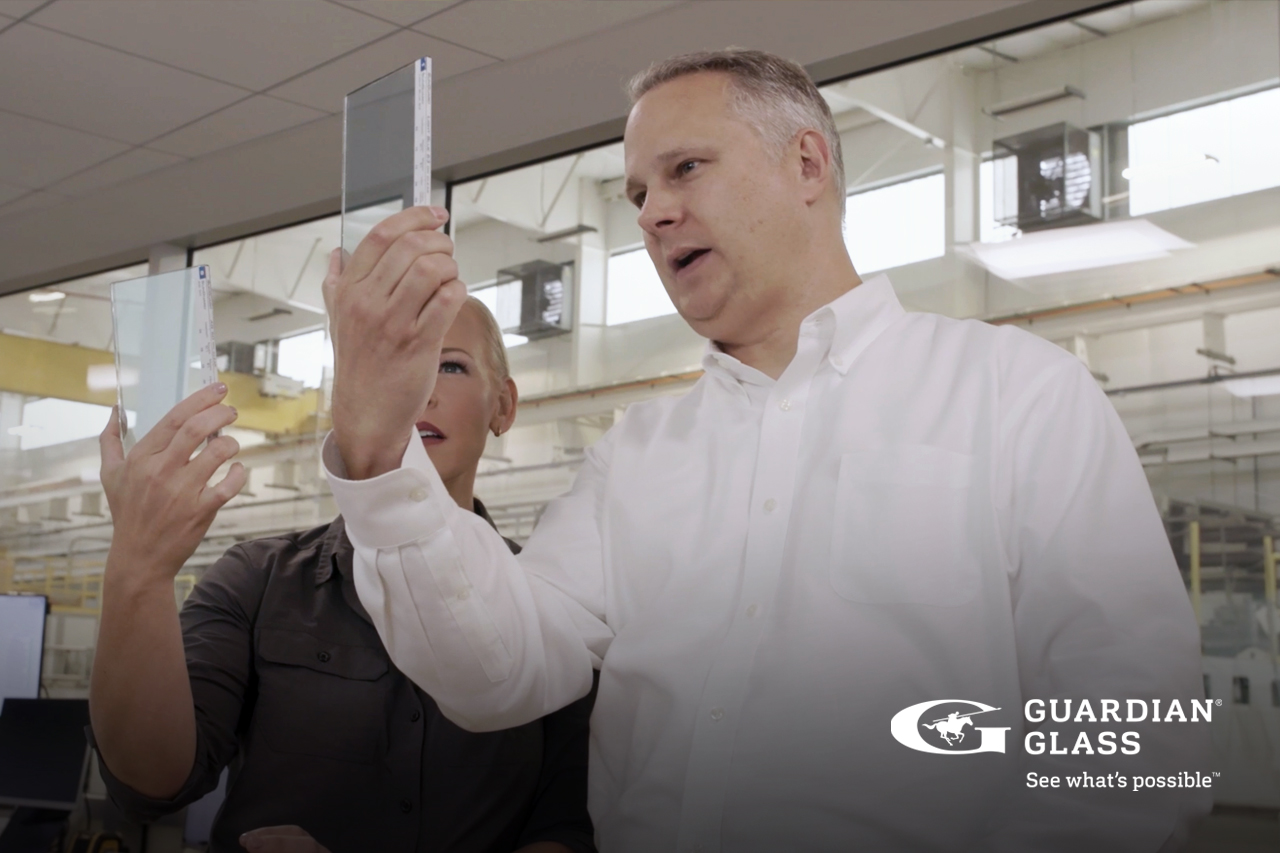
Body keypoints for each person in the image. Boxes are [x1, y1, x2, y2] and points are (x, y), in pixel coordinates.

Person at [321, 50, 1211, 852]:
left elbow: (1130, 734)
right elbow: (493, 674)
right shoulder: (636, 456)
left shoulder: (1016, 394)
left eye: (686, 169)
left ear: (807, 164)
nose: (655, 213)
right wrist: (375, 448)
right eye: (637, 194)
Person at [89, 295, 597, 853]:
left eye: (450, 365)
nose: (414, 391)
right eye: (384, 368)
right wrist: (138, 570)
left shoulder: (554, 595)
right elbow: (151, 782)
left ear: (503, 405)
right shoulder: (257, 580)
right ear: (346, 403)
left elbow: (566, 826)